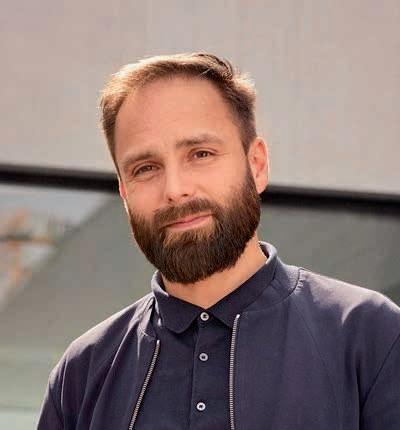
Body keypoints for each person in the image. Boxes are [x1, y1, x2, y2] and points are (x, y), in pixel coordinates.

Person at [38, 52, 400, 430]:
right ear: (124, 192)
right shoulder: (81, 374)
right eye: (145, 168)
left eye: (201, 154)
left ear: (256, 165)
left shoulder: (370, 336)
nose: (175, 189)